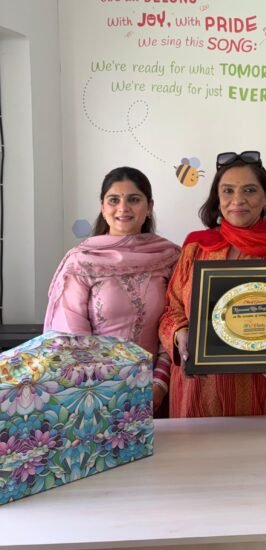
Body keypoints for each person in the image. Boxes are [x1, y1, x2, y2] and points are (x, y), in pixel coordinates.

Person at [159, 150, 266, 417]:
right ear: (217, 198)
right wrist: (180, 335)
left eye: (250, 190)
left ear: (265, 197)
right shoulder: (197, 248)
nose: (238, 200)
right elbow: (170, 310)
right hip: (203, 393)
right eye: (228, 191)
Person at [44, 166, 180, 413]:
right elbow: (71, 335)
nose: (123, 208)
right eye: (114, 200)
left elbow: (175, 320)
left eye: (134, 199)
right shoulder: (81, 262)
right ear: (102, 207)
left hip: (156, 392)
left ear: (149, 206)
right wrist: (105, 391)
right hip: (93, 396)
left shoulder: (169, 257)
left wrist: (158, 384)